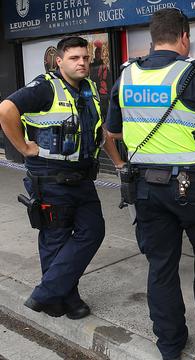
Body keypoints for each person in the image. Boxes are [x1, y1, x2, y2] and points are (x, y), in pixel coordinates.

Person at [105, 8, 195, 360]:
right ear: (184, 37)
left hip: (146, 189)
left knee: (161, 266)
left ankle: (170, 344)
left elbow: (114, 131)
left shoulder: (126, 77)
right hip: (194, 188)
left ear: (152, 38)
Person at [0, 36, 123, 320]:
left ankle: (46, 293)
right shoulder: (45, 87)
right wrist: (22, 148)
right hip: (50, 177)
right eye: (74, 58)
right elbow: (6, 109)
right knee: (55, 239)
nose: (82, 63)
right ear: (59, 60)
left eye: (85, 58)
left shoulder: (89, 88)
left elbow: (99, 131)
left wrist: (117, 162)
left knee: (93, 231)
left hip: (81, 178)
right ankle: (64, 300)